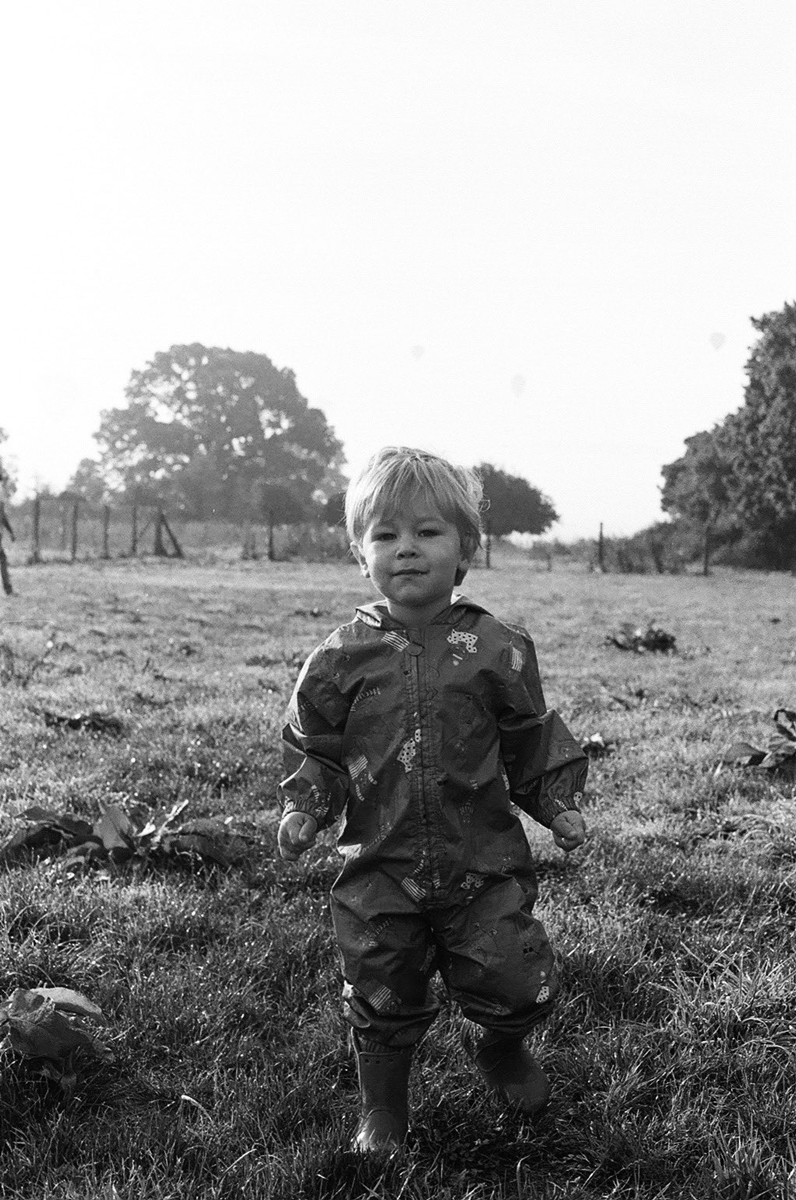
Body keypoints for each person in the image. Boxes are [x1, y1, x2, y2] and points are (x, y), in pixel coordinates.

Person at [277, 446, 588, 1155]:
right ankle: (382, 1108)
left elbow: (529, 735)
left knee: (515, 978)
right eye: (385, 535)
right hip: (379, 865)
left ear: (465, 551)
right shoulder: (338, 658)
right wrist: (305, 806)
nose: (406, 550)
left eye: (427, 533)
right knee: (379, 988)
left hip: (482, 859)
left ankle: (501, 1049)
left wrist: (555, 801)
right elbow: (314, 744)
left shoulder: (496, 647)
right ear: (362, 556)